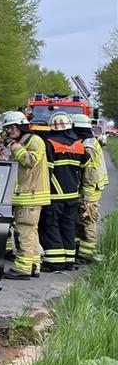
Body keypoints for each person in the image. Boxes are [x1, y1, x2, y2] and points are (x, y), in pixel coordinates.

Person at [2, 110, 49, 280]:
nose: (8, 132)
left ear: (20, 125)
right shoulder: (22, 141)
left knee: (25, 232)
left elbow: (30, 161)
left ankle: (22, 269)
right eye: (7, 129)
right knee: (31, 232)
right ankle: (34, 266)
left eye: (11, 128)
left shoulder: (34, 140)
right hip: (26, 194)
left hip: (31, 195)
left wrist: (15, 147)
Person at [40, 113, 87, 272]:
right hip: (73, 195)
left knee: (51, 226)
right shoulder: (79, 146)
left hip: (55, 195)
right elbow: (85, 169)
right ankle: (69, 262)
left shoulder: (50, 144)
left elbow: (47, 172)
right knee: (68, 227)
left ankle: (54, 262)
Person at [71, 114, 108, 264]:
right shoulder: (90, 141)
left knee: (88, 220)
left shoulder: (88, 146)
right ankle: (80, 250)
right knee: (80, 220)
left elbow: (90, 173)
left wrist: (85, 194)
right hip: (92, 187)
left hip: (90, 190)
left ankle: (86, 254)